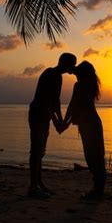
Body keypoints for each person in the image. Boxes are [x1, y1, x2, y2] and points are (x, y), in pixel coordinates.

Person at [28, 53, 77, 198]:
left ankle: (39, 183)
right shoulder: (51, 74)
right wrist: (57, 122)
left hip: (44, 116)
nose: (73, 67)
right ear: (66, 64)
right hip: (38, 114)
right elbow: (46, 100)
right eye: (73, 64)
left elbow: (56, 101)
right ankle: (33, 187)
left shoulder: (57, 76)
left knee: (41, 150)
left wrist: (60, 119)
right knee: (36, 150)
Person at [63, 61, 106, 200]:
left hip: (88, 125)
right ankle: (98, 189)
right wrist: (72, 69)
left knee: (91, 157)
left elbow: (72, 105)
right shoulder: (91, 84)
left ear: (82, 74)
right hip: (94, 122)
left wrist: (64, 123)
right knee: (97, 157)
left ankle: (97, 191)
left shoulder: (79, 85)